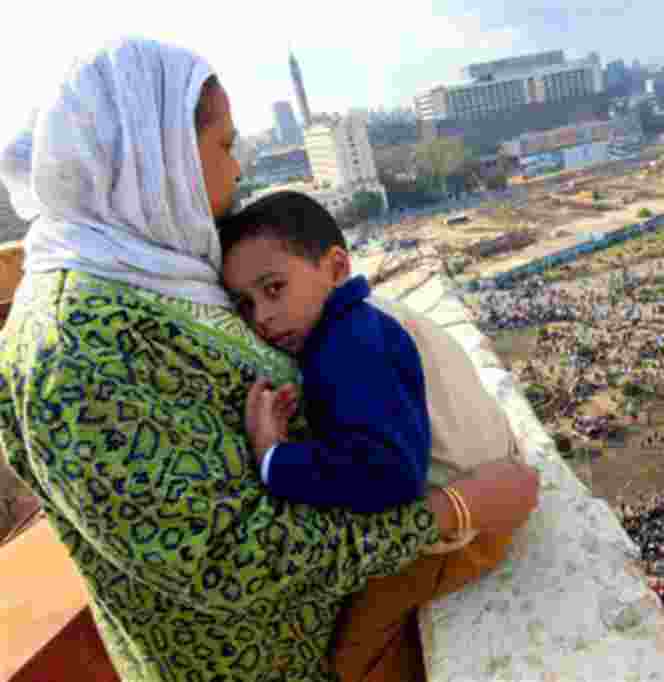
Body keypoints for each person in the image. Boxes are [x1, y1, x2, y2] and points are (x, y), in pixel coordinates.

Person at [0, 37, 539, 682]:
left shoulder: (150, 271)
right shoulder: (75, 351)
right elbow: (224, 558)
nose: (239, 166)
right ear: (154, 156)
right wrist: (454, 509)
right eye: (225, 145)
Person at [217, 191, 523, 680]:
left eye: (274, 289)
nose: (262, 317)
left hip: (465, 534)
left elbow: (386, 476)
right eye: (245, 305)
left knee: (352, 659)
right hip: (483, 493)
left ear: (336, 267)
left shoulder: (347, 346)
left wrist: (275, 459)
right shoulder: (360, 322)